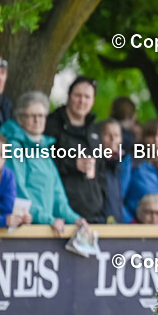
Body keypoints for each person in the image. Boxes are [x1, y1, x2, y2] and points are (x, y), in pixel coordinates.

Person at [0, 92, 89, 236]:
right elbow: (18, 192)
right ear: (20, 119)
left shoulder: (43, 149)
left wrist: (74, 219)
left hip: (44, 228)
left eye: (41, 116)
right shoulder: (13, 147)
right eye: (31, 116)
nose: (37, 120)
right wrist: (48, 219)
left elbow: (57, 194)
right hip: (21, 230)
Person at [44, 76, 105, 224]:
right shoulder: (51, 125)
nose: (82, 101)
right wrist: (72, 163)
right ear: (69, 97)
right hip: (60, 215)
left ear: (93, 101)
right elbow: (41, 163)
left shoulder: (95, 131)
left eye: (87, 97)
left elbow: (101, 173)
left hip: (93, 214)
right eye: (78, 95)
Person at [96, 118, 131, 223]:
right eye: (107, 134)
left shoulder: (121, 164)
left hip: (116, 225)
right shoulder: (93, 164)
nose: (112, 139)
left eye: (116, 135)